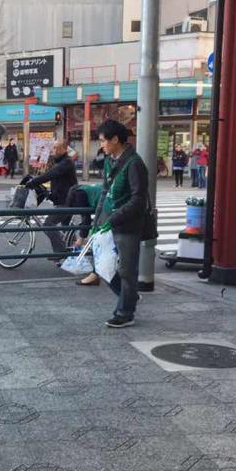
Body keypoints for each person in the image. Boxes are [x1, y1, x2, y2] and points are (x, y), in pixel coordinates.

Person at [94, 120, 149, 328]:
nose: (102, 146)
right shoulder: (110, 160)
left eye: (103, 141)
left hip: (128, 225)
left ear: (115, 140)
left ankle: (125, 312)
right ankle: (129, 296)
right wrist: (97, 220)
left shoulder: (134, 163)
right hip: (109, 222)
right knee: (101, 266)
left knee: (126, 269)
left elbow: (138, 200)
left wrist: (114, 219)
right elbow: (104, 191)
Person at [25, 142, 78, 257]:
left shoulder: (66, 162)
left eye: (55, 148)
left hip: (67, 201)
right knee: (67, 228)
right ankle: (75, 253)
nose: (53, 150)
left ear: (64, 149)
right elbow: (55, 178)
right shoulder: (60, 162)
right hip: (64, 199)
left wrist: (34, 182)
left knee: (48, 224)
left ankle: (60, 252)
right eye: (52, 148)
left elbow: (51, 174)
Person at [69, 183, 104, 286]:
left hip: (107, 209)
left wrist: (81, 238)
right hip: (109, 206)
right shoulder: (85, 189)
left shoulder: (79, 194)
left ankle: (95, 275)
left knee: (100, 243)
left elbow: (86, 217)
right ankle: (96, 274)